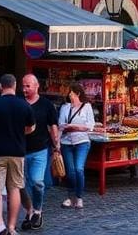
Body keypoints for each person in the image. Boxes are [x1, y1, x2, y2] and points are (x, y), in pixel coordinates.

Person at [0, 74, 35, 235]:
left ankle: (0, 224)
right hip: (17, 152)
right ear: (15, 86)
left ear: (1, 86)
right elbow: (32, 127)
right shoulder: (23, 105)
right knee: (15, 188)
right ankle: (11, 226)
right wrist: (20, 132)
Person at [20, 74, 59, 230]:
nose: (24, 89)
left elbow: (53, 126)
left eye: (28, 86)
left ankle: (37, 211)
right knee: (20, 185)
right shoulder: (18, 103)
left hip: (40, 150)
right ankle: (29, 211)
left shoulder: (46, 105)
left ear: (36, 86)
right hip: (19, 150)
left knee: (37, 182)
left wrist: (57, 146)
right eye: (23, 86)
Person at [57, 82, 94, 210]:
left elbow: (90, 126)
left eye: (72, 94)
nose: (70, 96)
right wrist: (57, 143)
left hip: (82, 142)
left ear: (78, 94)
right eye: (69, 94)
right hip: (67, 142)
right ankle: (70, 196)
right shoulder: (65, 108)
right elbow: (61, 125)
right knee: (70, 171)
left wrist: (75, 127)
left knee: (79, 169)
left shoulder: (87, 107)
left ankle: (79, 197)